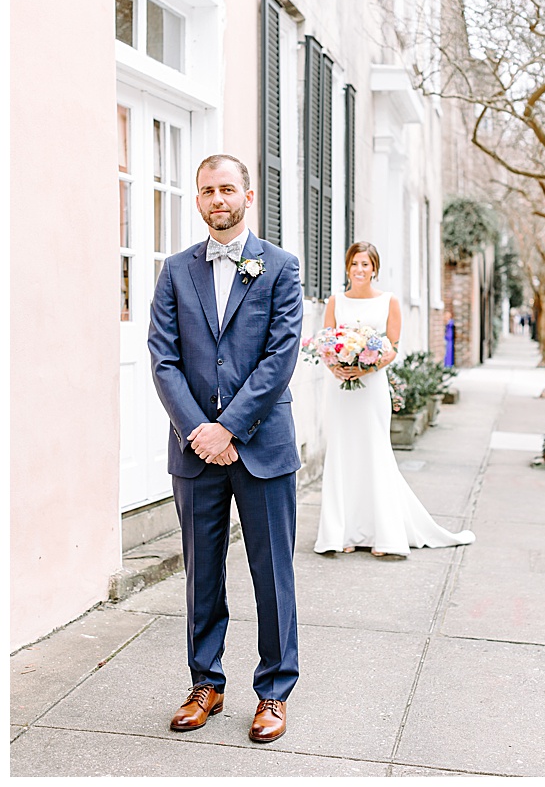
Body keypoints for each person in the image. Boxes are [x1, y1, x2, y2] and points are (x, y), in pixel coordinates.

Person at [147, 153, 303, 744]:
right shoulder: (174, 270)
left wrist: (229, 429)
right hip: (194, 450)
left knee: (272, 574)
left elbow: (279, 357)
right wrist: (198, 431)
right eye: (207, 190)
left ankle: (274, 691)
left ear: (248, 195)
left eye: (227, 189)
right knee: (201, 573)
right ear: (197, 198)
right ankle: (205, 682)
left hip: (261, 447)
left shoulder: (280, 267)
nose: (218, 199)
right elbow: (162, 357)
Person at [313, 242, 475, 556]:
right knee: (342, 453)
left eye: (366, 264)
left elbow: (393, 348)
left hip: (371, 389)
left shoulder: (389, 302)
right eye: (355, 263)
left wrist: (365, 368)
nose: (360, 270)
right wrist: (337, 368)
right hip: (339, 391)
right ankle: (341, 533)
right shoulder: (336, 301)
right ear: (348, 267)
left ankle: (382, 534)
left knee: (374, 452)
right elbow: (326, 343)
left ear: (375, 268)